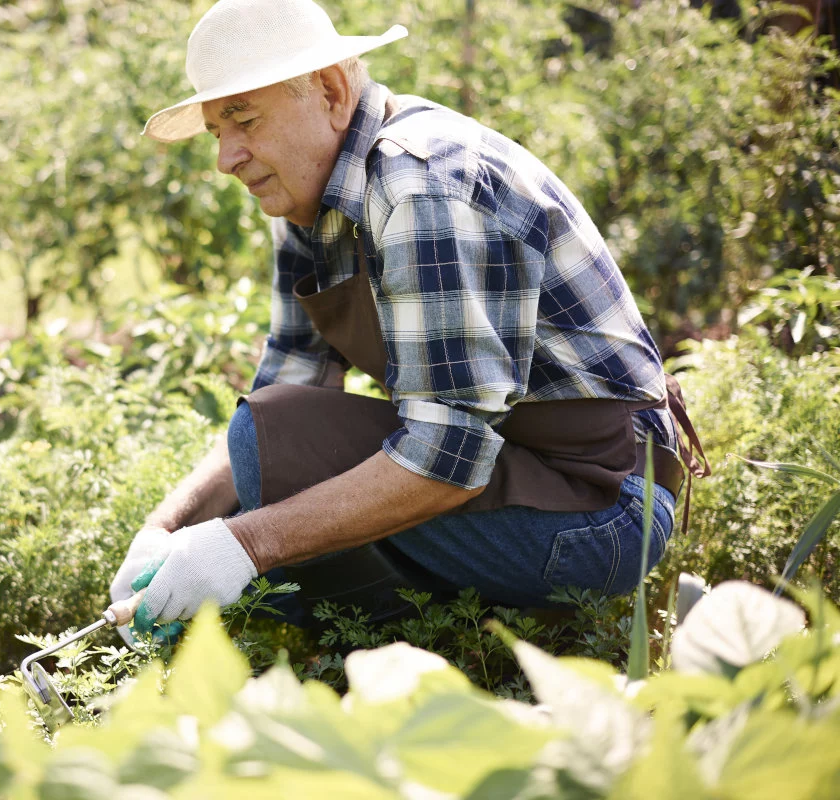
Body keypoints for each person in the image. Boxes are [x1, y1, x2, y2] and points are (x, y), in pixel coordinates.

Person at [111, 0, 708, 639]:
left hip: (604, 506)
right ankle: (404, 641)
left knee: (270, 456)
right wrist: (164, 530)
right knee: (270, 431)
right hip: (521, 468)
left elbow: (448, 454)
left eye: (245, 120)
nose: (227, 158)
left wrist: (241, 546)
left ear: (333, 92)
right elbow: (289, 383)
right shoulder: (310, 202)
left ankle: (390, 651)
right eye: (216, 132)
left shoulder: (421, 183)